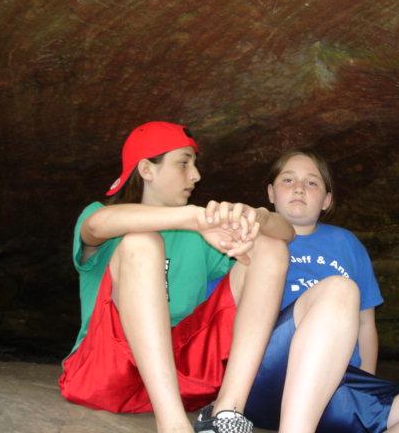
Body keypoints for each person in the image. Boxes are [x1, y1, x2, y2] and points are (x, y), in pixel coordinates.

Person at [58, 121, 295, 433]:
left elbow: (286, 232)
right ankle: (172, 426)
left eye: (194, 164)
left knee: (270, 247)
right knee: (141, 242)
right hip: (104, 372)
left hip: (183, 371)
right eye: (183, 163)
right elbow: (98, 225)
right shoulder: (102, 213)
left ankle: (226, 412)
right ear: (146, 169)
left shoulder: (199, 235)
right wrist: (194, 218)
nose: (195, 175)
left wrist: (257, 217)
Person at [242, 148, 399, 433]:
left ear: (327, 199)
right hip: (266, 376)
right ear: (270, 192)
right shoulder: (248, 238)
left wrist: (366, 382)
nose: (300, 188)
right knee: (339, 291)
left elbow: (366, 323)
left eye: (312, 182)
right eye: (288, 180)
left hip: (334, 382)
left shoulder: (346, 244)